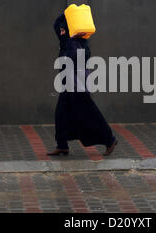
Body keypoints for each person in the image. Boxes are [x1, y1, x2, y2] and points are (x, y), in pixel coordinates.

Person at [47, 12, 118, 156]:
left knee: (89, 111)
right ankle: (62, 145)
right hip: (68, 81)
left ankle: (110, 139)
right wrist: (67, 13)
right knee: (61, 113)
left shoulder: (78, 42)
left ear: (71, 28)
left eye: (63, 29)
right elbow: (56, 24)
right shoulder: (66, 39)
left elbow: (77, 61)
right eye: (61, 29)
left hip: (77, 82)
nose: (61, 31)